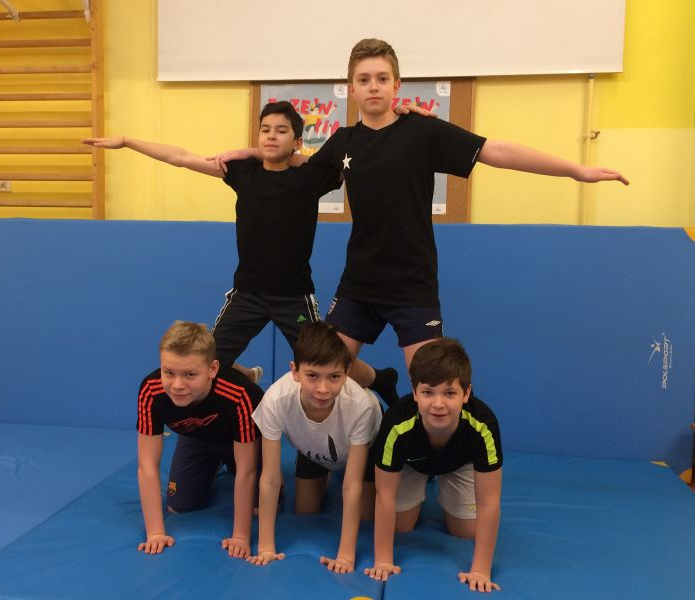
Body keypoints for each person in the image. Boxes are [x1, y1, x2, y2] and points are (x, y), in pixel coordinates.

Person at [214, 39, 628, 381]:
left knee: (430, 384)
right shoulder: (343, 141)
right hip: (359, 283)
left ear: (397, 85)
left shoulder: (422, 131)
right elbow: (296, 164)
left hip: (412, 283)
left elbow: (495, 151)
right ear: (351, 88)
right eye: (364, 80)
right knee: (323, 369)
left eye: (382, 78)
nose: (373, 87)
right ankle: (380, 385)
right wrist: (252, 152)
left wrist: (577, 170)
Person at [83, 101, 399, 404]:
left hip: (294, 297)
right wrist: (127, 141)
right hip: (247, 294)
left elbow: (349, 160)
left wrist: (262, 152)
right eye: (265, 130)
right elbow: (180, 157)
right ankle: (247, 376)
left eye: (281, 131)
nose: (271, 136)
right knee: (207, 361)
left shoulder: (309, 178)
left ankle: (379, 378)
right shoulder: (242, 172)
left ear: (297, 142)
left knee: (327, 361)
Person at [366, 338, 503, 593]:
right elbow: (385, 496)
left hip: (459, 463)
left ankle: (442, 481)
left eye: (449, 393)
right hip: (412, 463)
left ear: (466, 393)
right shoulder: (397, 422)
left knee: (466, 532)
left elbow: (489, 501)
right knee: (401, 527)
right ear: (415, 392)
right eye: (428, 392)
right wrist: (383, 560)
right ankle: (426, 478)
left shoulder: (483, 424)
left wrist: (481, 569)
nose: (438, 404)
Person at [248, 322, 382, 573]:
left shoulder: (360, 406)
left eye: (334, 377)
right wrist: (266, 546)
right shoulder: (276, 399)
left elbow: (351, 484)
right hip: (312, 447)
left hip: (365, 448)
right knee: (305, 513)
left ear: (346, 373)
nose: (323, 389)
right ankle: (324, 473)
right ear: (295, 371)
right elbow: (270, 477)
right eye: (312, 376)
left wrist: (346, 556)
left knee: (366, 518)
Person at [135, 320, 262, 559]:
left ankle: (244, 373)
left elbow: (247, 470)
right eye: (168, 372)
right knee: (178, 506)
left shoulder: (239, 394)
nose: (177, 385)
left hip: (241, 440)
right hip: (198, 437)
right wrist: (155, 533)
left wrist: (240, 536)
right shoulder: (151, 390)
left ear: (212, 369)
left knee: (260, 508)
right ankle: (211, 465)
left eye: (190, 374)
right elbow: (147, 465)